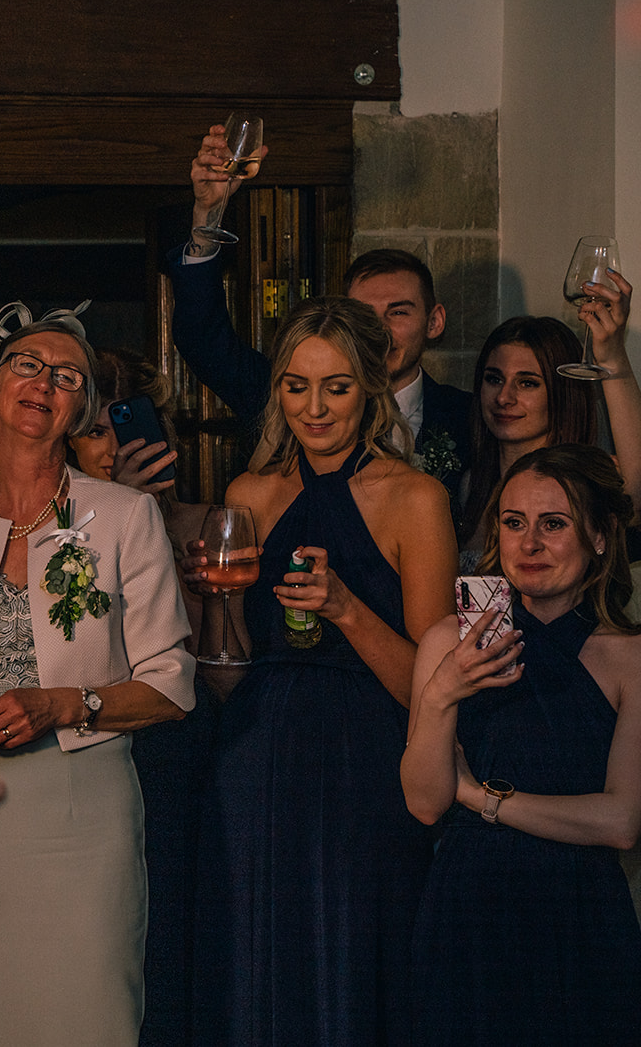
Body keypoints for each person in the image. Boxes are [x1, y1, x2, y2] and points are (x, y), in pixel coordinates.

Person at [0, 301, 196, 1046]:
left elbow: (171, 681)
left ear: (80, 407)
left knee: (83, 1014)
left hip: (81, 816)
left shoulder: (124, 517)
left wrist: (64, 701)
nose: (44, 381)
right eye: (27, 364)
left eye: (67, 375)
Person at [188, 296, 456, 1045]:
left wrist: (344, 607)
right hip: (254, 754)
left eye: (336, 386)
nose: (314, 406)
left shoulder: (416, 498)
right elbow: (225, 670)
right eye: (296, 385)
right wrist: (215, 604)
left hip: (365, 760)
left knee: (353, 952)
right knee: (252, 951)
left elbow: (429, 690)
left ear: (370, 385)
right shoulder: (250, 492)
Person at [402, 443, 641, 1045]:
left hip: (580, 917)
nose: (528, 544)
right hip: (467, 912)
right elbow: (426, 803)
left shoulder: (629, 659)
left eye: (553, 524)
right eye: (514, 523)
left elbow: (621, 821)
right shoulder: (446, 644)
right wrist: (440, 695)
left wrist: (482, 798)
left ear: (601, 536)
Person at [171, 123, 475, 504]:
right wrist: (208, 217)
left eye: (397, 312)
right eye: (363, 314)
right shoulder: (285, 395)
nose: (377, 332)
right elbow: (202, 338)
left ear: (435, 322)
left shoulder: (472, 416)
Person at [66, 346, 218, 1047]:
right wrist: (112, 514)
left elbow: (203, 664)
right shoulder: (58, 533)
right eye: (96, 429)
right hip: (87, 753)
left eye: (127, 424)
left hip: (176, 748)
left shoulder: (202, 523)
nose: (116, 445)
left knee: (171, 937)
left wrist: (150, 518)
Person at [455, 283, 641, 571]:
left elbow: (636, 495)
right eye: (494, 379)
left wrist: (612, 358)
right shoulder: (471, 483)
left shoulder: (589, 481)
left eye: (527, 383)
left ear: (563, 393)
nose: (504, 397)